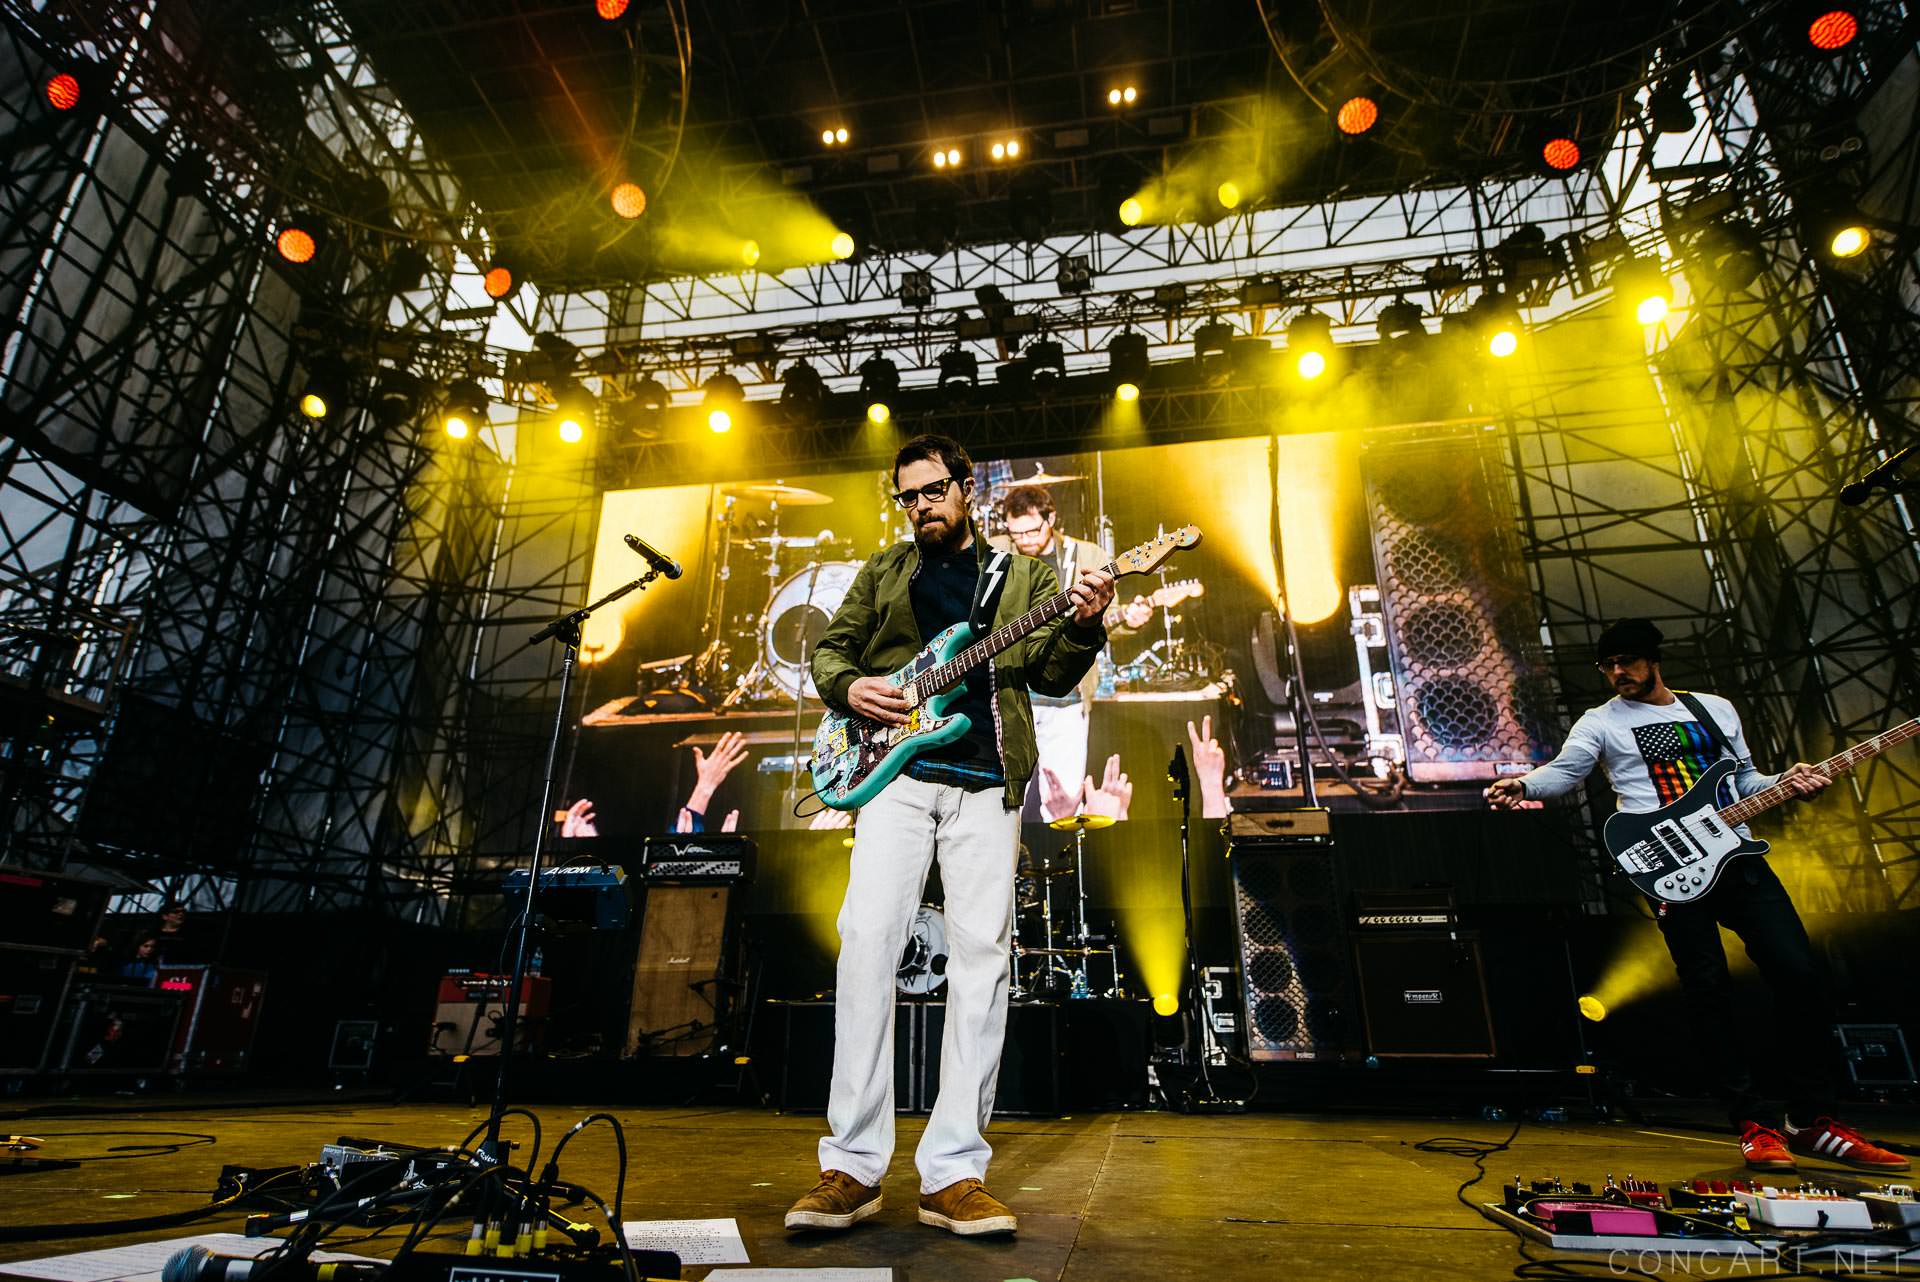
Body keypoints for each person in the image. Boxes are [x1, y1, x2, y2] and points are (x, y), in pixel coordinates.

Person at [786, 434, 1114, 1238]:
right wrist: (850, 684)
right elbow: (832, 651)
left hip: (987, 782)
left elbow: (1047, 674)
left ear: (966, 488)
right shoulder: (885, 572)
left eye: (932, 491)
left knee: (980, 963)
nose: (920, 507)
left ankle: (954, 1175)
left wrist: (1084, 626)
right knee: (866, 943)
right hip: (894, 777)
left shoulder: (1027, 576)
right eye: (907, 497)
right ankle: (851, 1169)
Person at [1486, 618, 1908, 1174]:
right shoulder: (1601, 722)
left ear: (1653, 659)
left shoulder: (1714, 709)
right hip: (1671, 865)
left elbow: (1745, 780)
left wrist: (1792, 779)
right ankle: (1753, 1121)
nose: (1619, 674)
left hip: (1736, 859)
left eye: (1629, 662)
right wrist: (1523, 784)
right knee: (1707, 986)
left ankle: (1811, 1120)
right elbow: (1566, 772)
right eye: (1609, 666)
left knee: (1799, 973)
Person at [997, 484, 1108, 821]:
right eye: (1016, 533)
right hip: (1010, 694)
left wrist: (1128, 619)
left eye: (1032, 529)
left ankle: (1064, 871)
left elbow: (1098, 628)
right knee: (1000, 804)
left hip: (1065, 700)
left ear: (1051, 518)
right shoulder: (996, 552)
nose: (1025, 539)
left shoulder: (1087, 556)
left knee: (1064, 803)